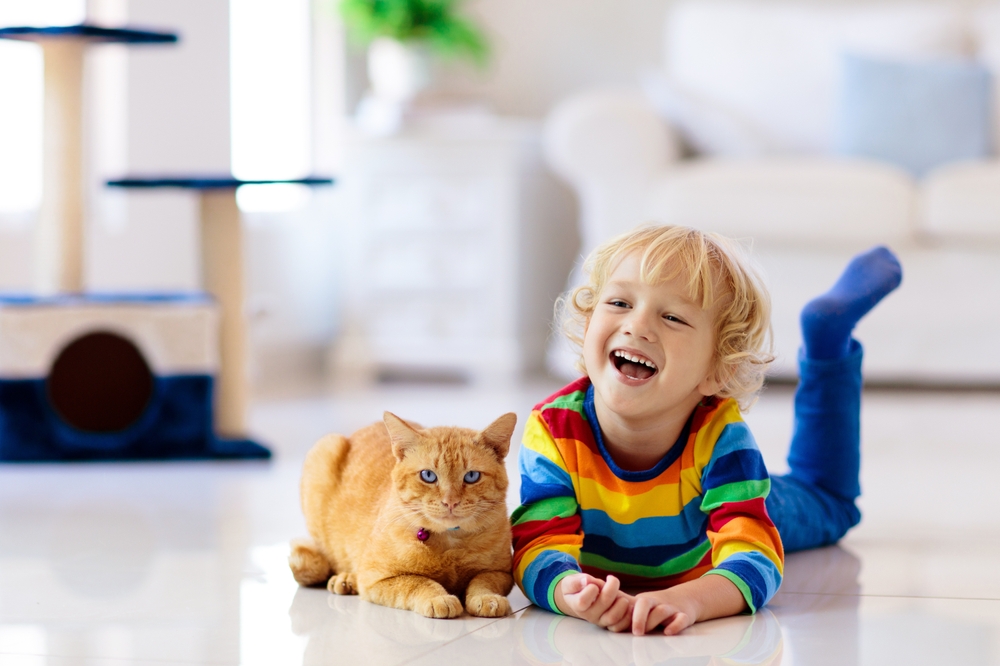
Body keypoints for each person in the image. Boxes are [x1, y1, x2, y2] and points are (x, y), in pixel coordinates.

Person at [511, 224, 902, 636]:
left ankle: (827, 339)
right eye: (620, 302)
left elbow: (755, 558)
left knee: (830, 501)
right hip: (702, 503)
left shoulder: (722, 438)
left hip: (735, 505)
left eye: (673, 317)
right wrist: (568, 590)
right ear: (589, 324)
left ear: (717, 371)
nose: (637, 326)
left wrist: (690, 598)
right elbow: (537, 543)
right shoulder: (552, 430)